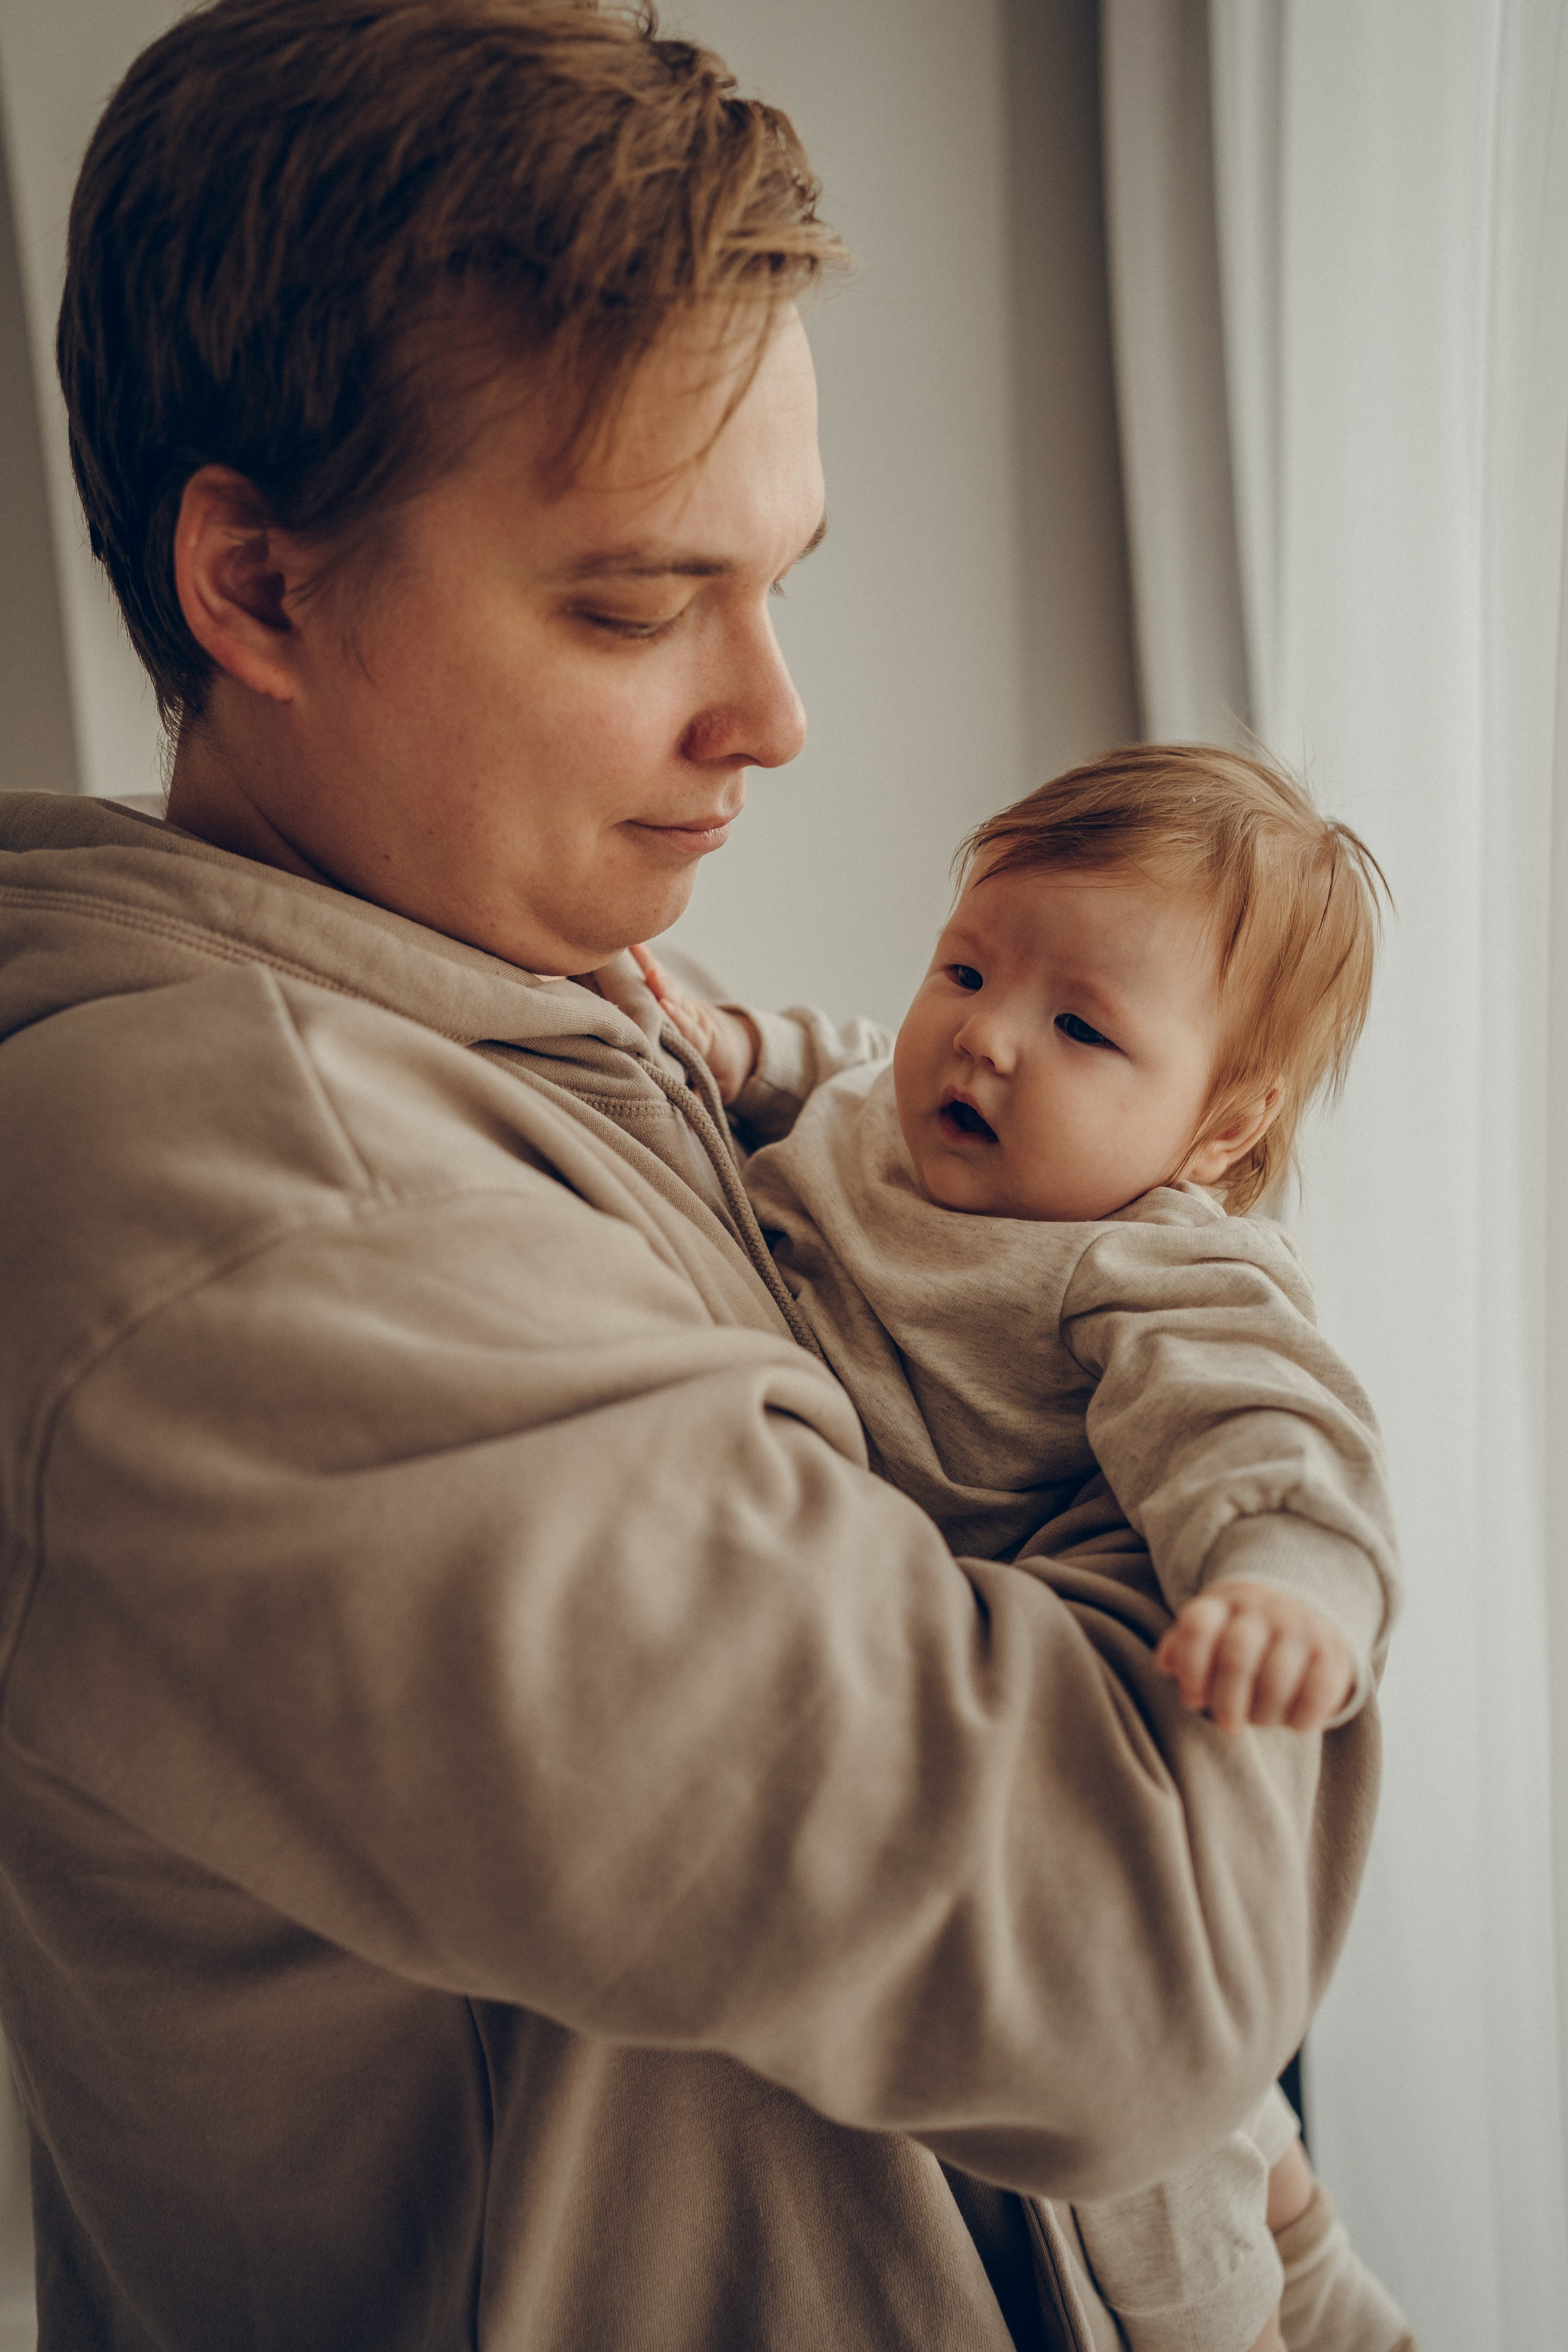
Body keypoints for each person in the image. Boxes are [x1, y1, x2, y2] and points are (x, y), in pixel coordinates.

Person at [0, 5, 1380, 2346]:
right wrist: (1224, 1460)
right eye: (636, 604)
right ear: (257, 587)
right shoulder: (273, 1211)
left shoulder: (516, 1005)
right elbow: (1138, 1953)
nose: (775, 715)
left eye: (780, 579)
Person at [641, 743, 1418, 2352]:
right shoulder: (899, 1116)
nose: (986, 1036)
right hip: (881, 1641)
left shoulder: (1148, 1261)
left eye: (1082, 1028)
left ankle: (1256, 2316)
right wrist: (736, 1046)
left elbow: (1275, 1424)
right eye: (968, 968)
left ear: (1221, 1127)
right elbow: (847, 1064)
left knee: (1150, 2134)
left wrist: (1286, 1582)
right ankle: (1324, 2271)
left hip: (1062, 1746)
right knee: (1243, 2136)